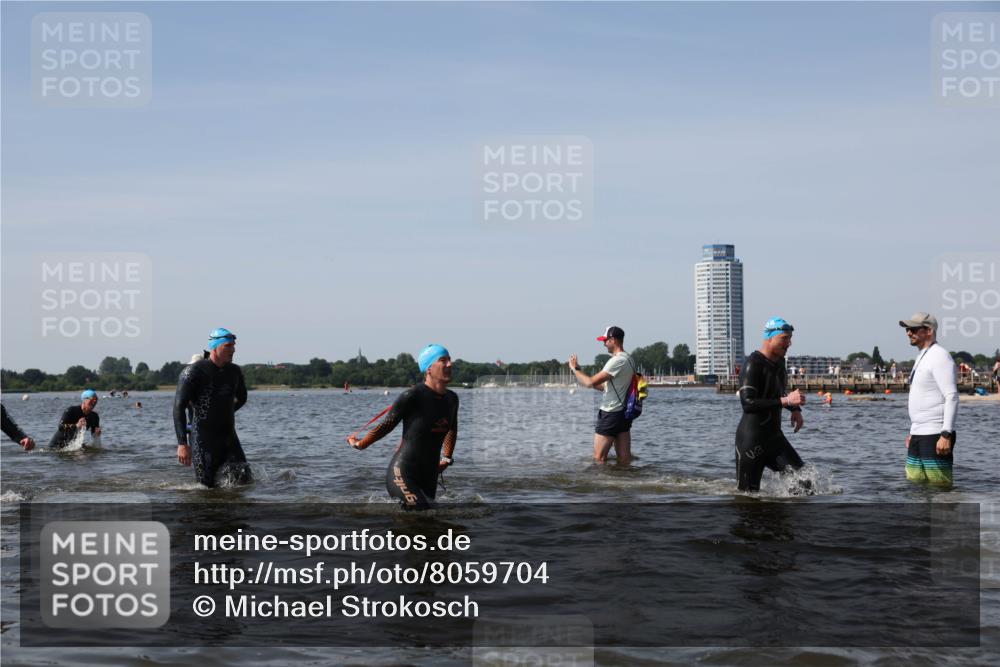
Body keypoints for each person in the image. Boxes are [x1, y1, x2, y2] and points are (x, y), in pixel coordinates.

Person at [347, 344, 458, 510]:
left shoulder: (452, 399)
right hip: (403, 472)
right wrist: (360, 444)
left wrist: (446, 459)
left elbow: (452, 429)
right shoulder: (412, 396)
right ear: (429, 368)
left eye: (449, 359)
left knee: (430, 519)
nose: (450, 364)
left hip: (430, 475)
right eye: (443, 360)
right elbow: (385, 426)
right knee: (420, 511)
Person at [734, 317, 808, 492]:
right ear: (769, 337)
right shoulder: (753, 363)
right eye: (784, 338)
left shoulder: (780, 362)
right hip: (751, 442)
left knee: (805, 484)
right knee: (748, 497)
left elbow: (778, 393)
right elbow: (748, 403)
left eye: (790, 338)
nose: (789, 343)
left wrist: (794, 408)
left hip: (774, 438)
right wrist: (787, 401)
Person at [173, 328, 251, 487]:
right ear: (214, 347)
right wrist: (182, 444)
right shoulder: (193, 372)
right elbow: (179, 407)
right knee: (205, 488)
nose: (233, 350)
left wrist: (222, 413)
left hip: (229, 437)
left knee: (244, 481)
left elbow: (242, 399)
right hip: (203, 439)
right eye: (228, 346)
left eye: (233, 346)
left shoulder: (234, 371)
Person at [900, 313, 959, 488]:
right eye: (907, 329)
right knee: (915, 487)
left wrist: (946, 434)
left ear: (929, 331)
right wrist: (914, 431)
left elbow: (951, 396)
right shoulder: (922, 356)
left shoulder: (940, 356)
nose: (908, 333)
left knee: (940, 489)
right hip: (918, 432)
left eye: (913, 329)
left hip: (935, 434)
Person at [568, 325, 636, 464]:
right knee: (625, 458)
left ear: (613, 340)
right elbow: (605, 387)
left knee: (599, 458)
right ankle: (625, 477)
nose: (604, 344)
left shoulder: (616, 361)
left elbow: (589, 383)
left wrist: (575, 370)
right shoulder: (629, 359)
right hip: (624, 414)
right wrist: (581, 373)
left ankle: (601, 479)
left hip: (610, 413)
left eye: (605, 340)